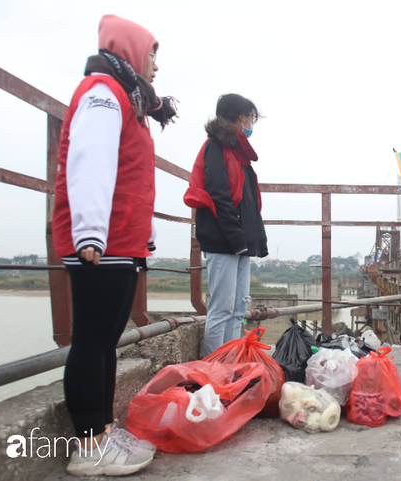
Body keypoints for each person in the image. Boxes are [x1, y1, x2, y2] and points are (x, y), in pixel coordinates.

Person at [52, 14, 176, 476]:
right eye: (152, 55)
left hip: (120, 240)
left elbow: (132, 177)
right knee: (91, 340)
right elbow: (91, 162)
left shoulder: (127, 98)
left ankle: (103, 430)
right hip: (99, 242)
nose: (156, 67)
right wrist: (89, 232)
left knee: (105, 341)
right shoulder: (104, 93)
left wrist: (144, 234)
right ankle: (89, 446)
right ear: (130, 51)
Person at [184, 94, 268, 357]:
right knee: (221, 308)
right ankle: (213, 367)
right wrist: (236, 239)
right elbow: (218, 194)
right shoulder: (216, 147)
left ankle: (230, 363)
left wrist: (252, 242)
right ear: (242, 117)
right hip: (223, 240)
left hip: (239, 242)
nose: (252, 123)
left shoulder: (240, 154)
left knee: (238, 308)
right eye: (251, 117)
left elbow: (249, 204)